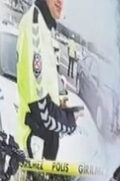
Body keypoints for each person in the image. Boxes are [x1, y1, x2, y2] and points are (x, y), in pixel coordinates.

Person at [17, 0, 80, 160]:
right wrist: (70, 120)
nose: (60, 2)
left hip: (41, 150)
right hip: (33, 152)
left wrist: (61, 107)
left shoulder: (43, 28)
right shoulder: (35, 27)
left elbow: (43, 93)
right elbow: (41, 109)